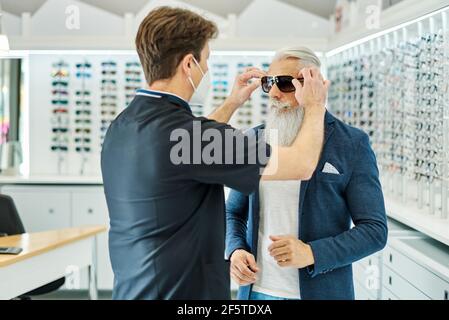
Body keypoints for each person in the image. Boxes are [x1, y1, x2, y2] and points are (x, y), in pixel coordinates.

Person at [101, 7, 329, 300]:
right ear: (188, 64)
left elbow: (188, 149)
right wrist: (314, 106)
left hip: (133, 289)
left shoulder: (123, 125)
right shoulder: (189, 138)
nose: (206, 69)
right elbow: (301, 164)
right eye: (205, 59)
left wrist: (232, 103)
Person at [226, 46, 388, 300]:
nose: (275, 94)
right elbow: (233, 212)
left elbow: (374, 230)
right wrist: (235, 250)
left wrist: (312, 253)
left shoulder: (351, 144)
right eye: (269, 83)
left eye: (285, 84)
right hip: (256, 294)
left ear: (314, 85)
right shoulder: (255, 141)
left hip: (321, 292)